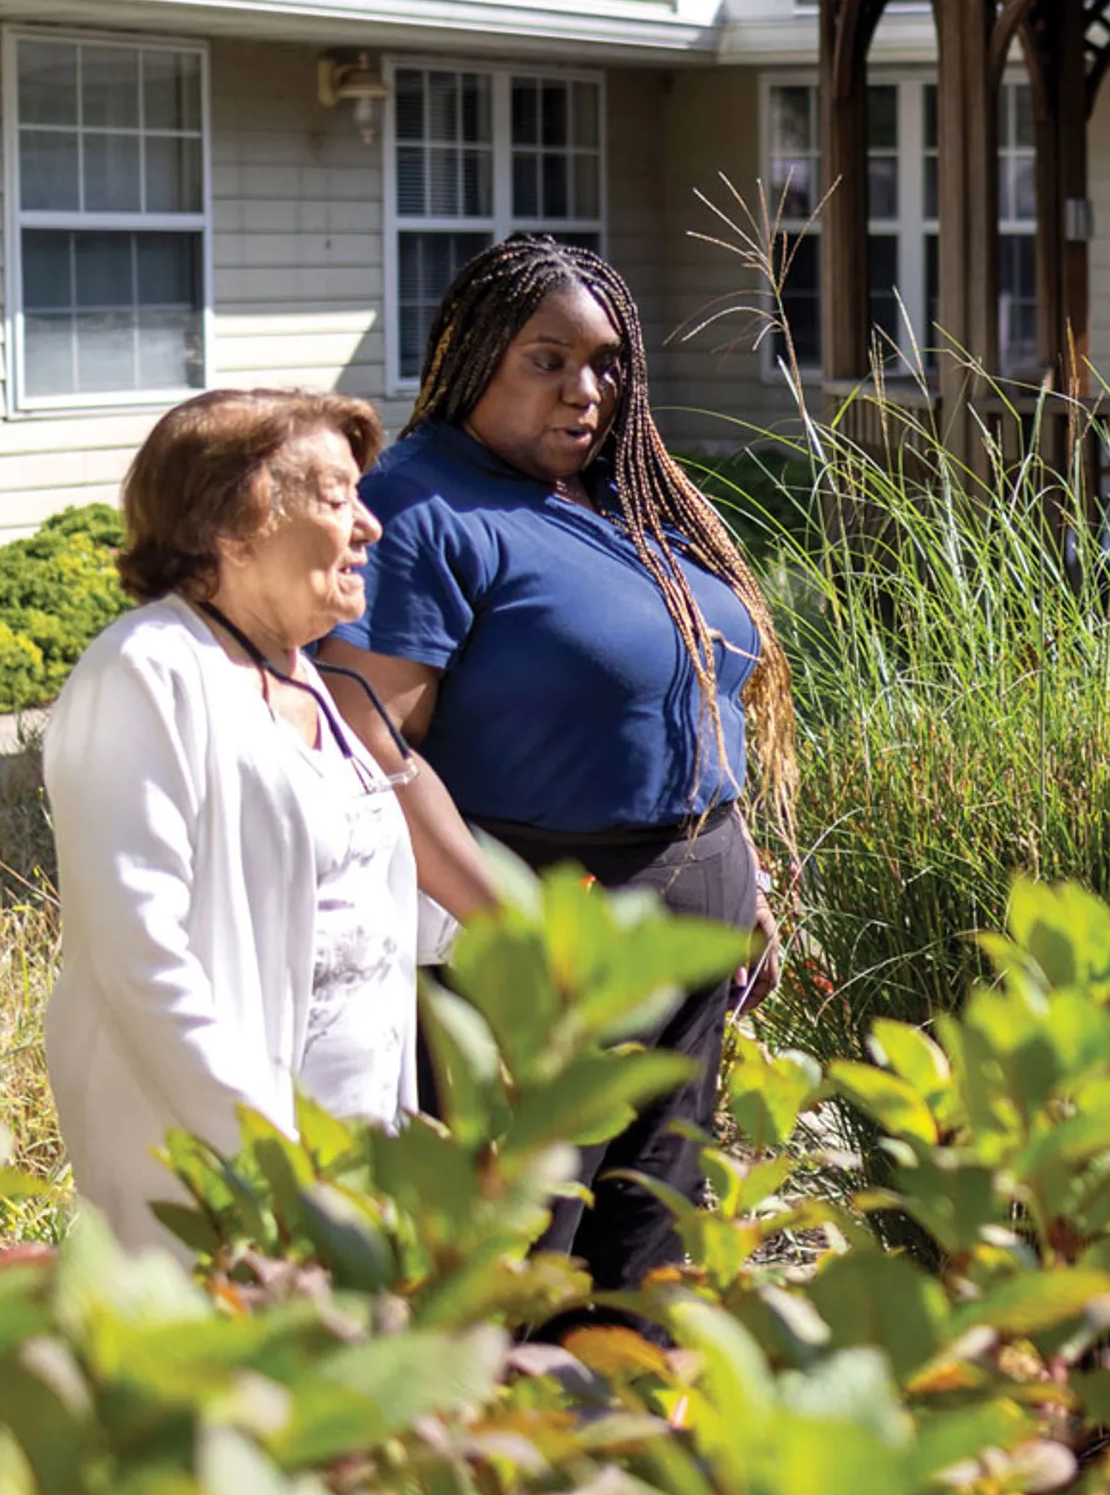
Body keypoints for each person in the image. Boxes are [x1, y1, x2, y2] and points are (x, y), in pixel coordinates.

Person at [326, 236, 793, 1298]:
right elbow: (372, 751)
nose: (586, 389)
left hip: (686, 922)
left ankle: (626, 1452)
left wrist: (743, 869)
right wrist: (510, 932)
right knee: (523, 1255)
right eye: (547, 359)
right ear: (474, 355)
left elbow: (694, 692)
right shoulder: (420, 510)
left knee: (648, 1246)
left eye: (608, 361)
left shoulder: (615, 495)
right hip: (542, 938)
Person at [41, 389, 489, 1254]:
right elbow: (142, 959)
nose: (371, 526)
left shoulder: (300, 675)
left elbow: (354, 899)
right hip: (222, 1184)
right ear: (234, 522)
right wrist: (278, 1160)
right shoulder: (146, 671)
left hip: (354, 1169)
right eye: (336, 498)